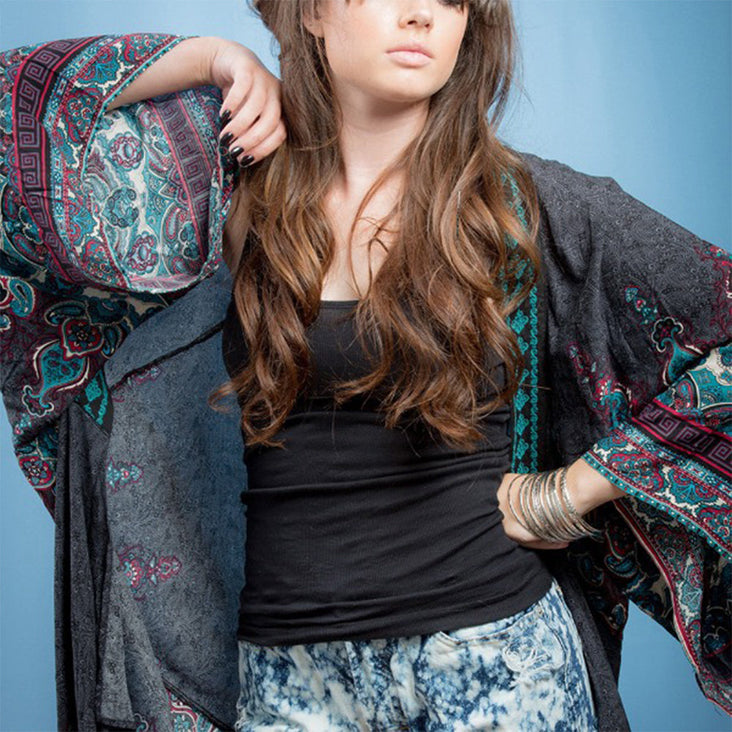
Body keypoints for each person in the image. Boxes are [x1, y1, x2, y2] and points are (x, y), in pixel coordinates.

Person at [0, 1, 729, 730]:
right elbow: (15, 118)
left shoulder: (518, 208)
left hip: (494, 666)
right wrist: (212, 58)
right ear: (313, 13)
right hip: (288, 682)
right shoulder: (236, 194)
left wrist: (570, 492)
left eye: (451, 0)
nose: (421, 16)